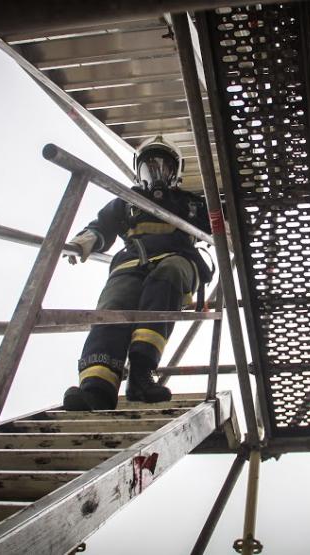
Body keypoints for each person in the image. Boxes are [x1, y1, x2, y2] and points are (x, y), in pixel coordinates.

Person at [62, 136, 212, 411]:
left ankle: (141, 374)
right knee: (112, 310)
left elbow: (221, 225)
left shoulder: (192, 204)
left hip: (177, 260)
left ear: (174, 172)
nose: (155, 173)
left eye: (162, 166)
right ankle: (96, 390)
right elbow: (102, 226)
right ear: (139, 171)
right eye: (149, 167)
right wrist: (85, 241)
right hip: (130, 264)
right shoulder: (127, 201)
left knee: (167, 276)